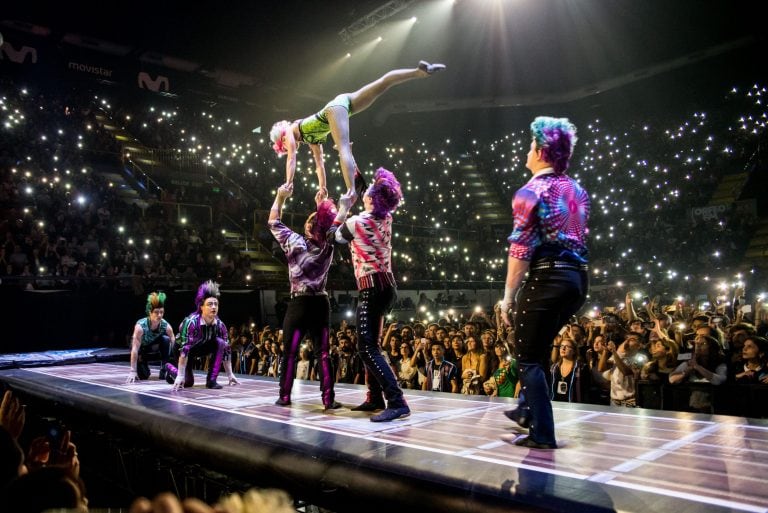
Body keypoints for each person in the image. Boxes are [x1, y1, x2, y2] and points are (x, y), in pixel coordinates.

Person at [499, 116, 589, 450]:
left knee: (528, 359)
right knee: (536, 350)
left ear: (540, 150)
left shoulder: (530, 191)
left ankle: (542, 434)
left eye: (529, 145)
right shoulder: (576, 188)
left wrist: (508, 296)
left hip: (547, 277)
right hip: (577, 280)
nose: (527, 150)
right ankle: (526, 410)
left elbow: (520, 249)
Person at [269, 61, 445, 203]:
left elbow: (292, 159)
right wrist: (322, 187)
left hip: (334, 109)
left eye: (283, 146)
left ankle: (351, 190)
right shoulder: (311, 139)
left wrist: (288, 182)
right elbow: (319, 164)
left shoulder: (292, 130)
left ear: (283, 139)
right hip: (343, 103)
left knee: (343, 148)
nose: (288, 149)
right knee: (382, 85)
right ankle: (419, 71)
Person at [332, 168, 409, 422]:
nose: (365, 195)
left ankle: (396, 400)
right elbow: (366, 189)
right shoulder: (386, 218)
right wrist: (350, 162)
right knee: (371, 345)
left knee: (366, 349)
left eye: (368, 194)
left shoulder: (357, 222)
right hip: (387, 286)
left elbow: (333, 238)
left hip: (371, 288)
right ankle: (375, 397)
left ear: (373, 200)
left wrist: (342, 209)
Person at [268, 183, 341, 411]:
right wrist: (322, 206)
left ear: (309, 226)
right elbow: (331, 224)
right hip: (320, 302)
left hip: (299, 302)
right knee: (323, 353)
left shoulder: (295, 241)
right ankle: (328, 400)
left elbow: (273, 221)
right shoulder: (329, 244)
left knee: (290, 353)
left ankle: (285, 397)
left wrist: (280, 197)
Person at [165, 281, 240, 390]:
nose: (214, 307)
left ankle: (211, 381)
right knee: (187, 382)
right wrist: (180, 376)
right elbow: (184, 350)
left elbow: (227, 350)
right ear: (201, 307)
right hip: (184, 349)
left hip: (201, 346)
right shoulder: (191, 323)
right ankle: (169, 368)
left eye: (216, 304)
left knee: (220, 342)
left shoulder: (220, 326)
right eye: (210, 304)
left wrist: (230, 374)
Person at [126, 292, 175, 383]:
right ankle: (142, 365)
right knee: (144, 376)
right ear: (150, 312)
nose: (159, 315)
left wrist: (176, 365)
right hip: (141, 348)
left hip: (153, 346)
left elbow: (173, 342)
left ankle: (164, 369)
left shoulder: (165, 325)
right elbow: (135, 349)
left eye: (161, 312)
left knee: (166, 340)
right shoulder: (140, 327)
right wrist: (133, 371)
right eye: (156, 312)